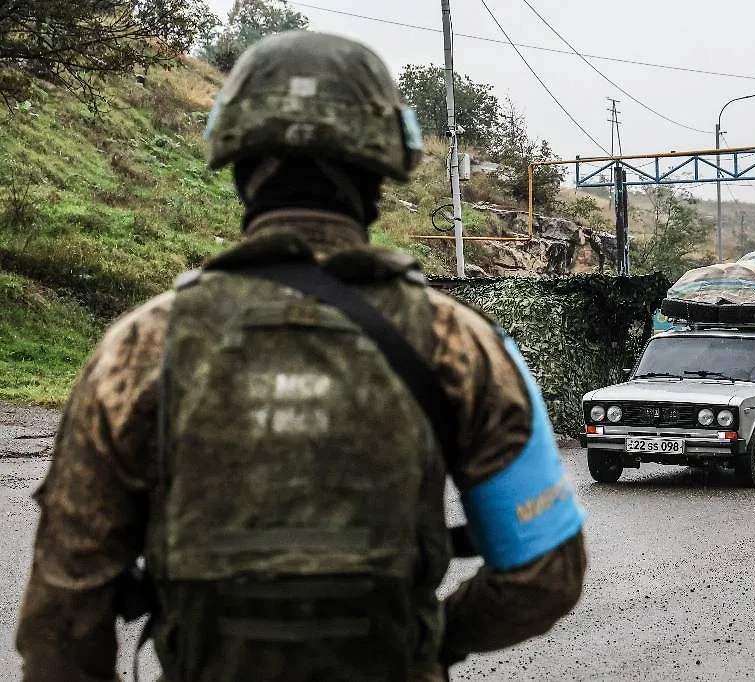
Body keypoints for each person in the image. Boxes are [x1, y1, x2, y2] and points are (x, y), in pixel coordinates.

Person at [16, 31, 586, 682]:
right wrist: (429, 646)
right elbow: (545, 573)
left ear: (236, 161)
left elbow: (63, 614)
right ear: (381, 169)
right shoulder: (461, 343)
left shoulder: (140, 346)